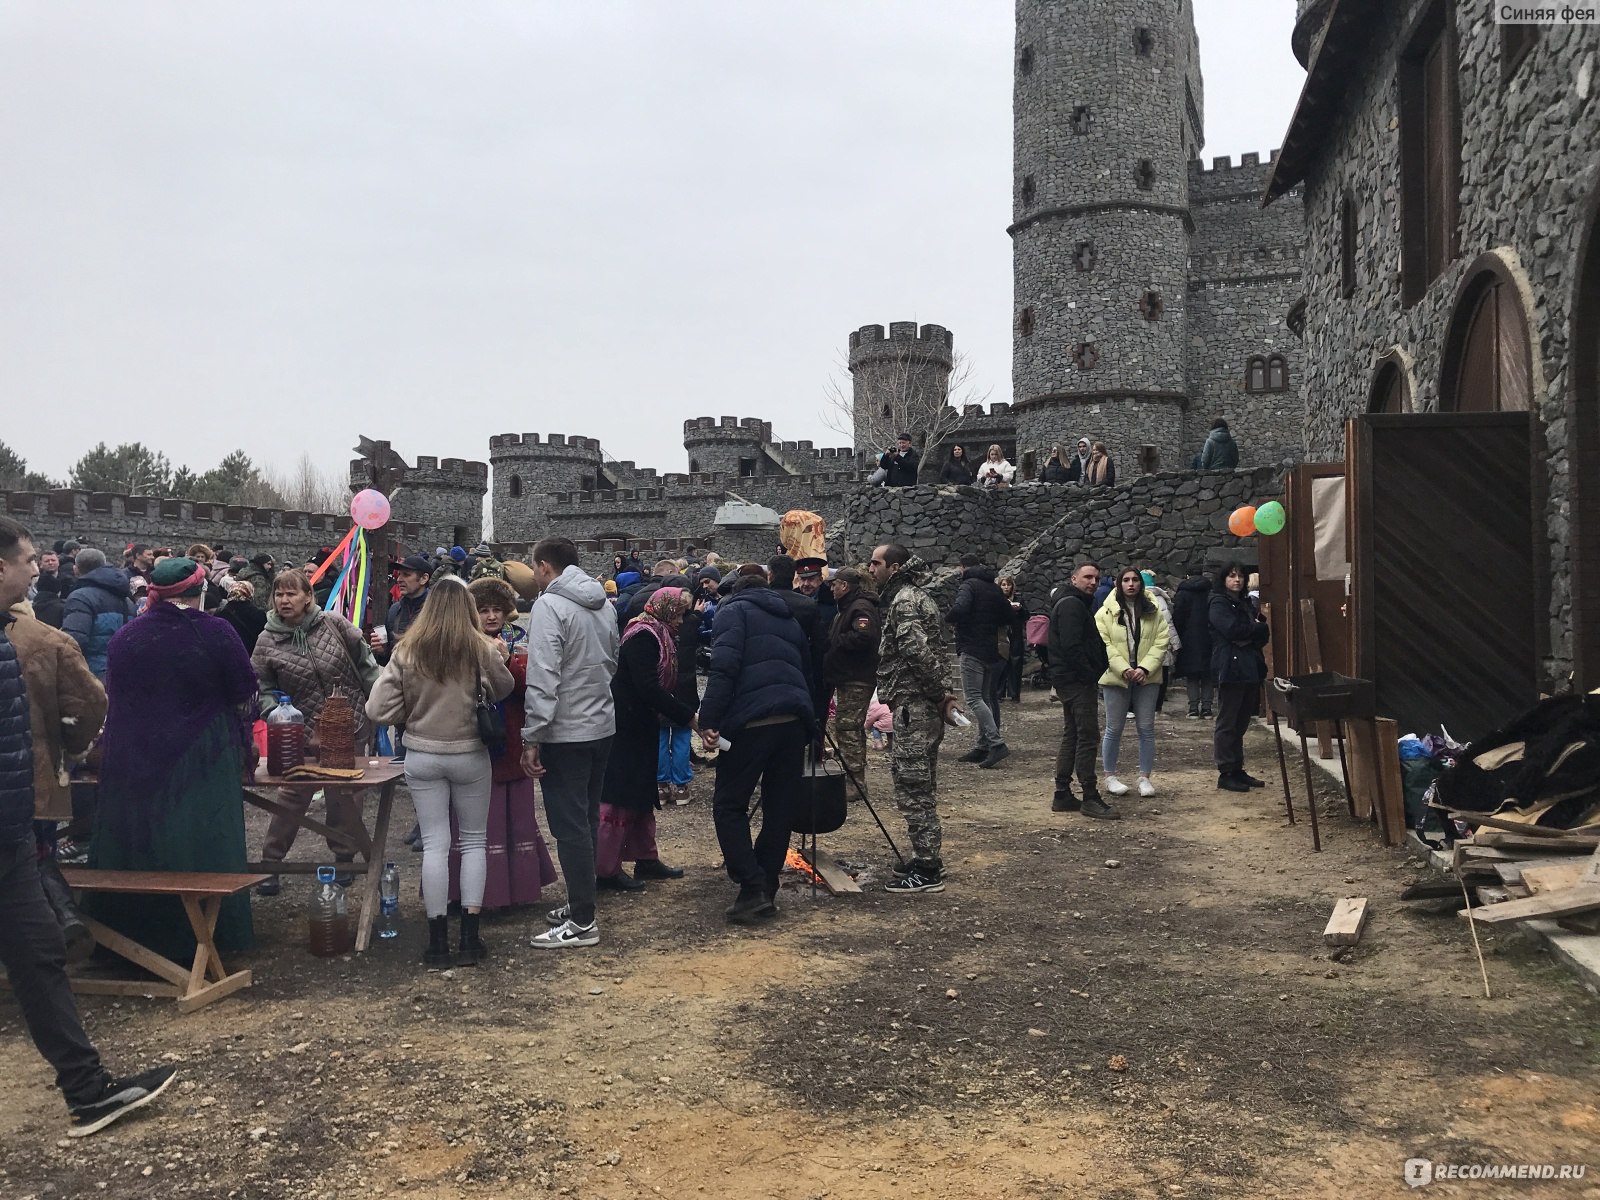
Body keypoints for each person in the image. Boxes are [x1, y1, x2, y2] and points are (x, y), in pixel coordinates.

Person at [0, 517, 178, 1137]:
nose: (36, 567)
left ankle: (87, 1090)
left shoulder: (12, 639)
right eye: (27, 559)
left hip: (15, 831)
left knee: (41, 953)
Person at [90, 557, 259, 962]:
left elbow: (115, 699)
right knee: (199, 841)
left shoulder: (126, 638)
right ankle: (208, 938)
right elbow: (244, 697)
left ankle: (131, 942)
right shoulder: (216, 632)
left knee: (143, 843)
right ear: (199, 591)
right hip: (201, 757)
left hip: (133, 756)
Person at [367, 577, 514, 966]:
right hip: (469, 753)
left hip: (422, 752)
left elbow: (377, 710)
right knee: (473, 842)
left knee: (434, 844)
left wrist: (412, 714)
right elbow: (505, 687)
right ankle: (469, 938)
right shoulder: (480, 647)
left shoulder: (408, 650)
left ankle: (436, 942)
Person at [249, 568, 382, 896]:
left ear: (308, 597)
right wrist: (275, 714)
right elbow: (260, 685)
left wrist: (380, 704)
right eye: (279, 594)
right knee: (292, 795)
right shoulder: (267, 639)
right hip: (298, 731)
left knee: (345, 797)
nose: (284, 600)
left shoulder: (334, 624)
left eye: (291, 593)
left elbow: (367, 666)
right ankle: (272, 863)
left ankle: (344, 858)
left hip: (350, 723)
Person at [698, 568, 814, 923]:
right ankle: (767, 883)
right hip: (793, 720)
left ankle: (751, 886)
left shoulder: (733, 611)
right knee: (780, 807)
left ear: (735, 591)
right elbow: (808, 672)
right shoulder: (790, 619)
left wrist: (709, 720)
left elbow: (724, 668)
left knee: (729, 804)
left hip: (752, 720)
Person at [520, 537, 620, 950]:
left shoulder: (549, 605)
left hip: (565, 730)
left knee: (569, 825)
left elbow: (543, 673)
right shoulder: (605, 604)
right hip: (600, 724)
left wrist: (533, 735)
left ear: (545, 567)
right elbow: (612, 657)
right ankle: (582, 900)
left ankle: (582, 921)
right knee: (587, 820)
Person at [9, 579, 107, 964]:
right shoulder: (48, 640)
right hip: (36, 774)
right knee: (34, 851)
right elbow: (89, 703)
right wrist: (73, 749)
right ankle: (57, 924)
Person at [458, 577, 558, 910]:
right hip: (476, 739)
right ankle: (480, 894)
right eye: (483, 610)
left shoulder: (518, 639)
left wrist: (509, 663)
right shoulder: (461, 642)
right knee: (482, 818)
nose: (490, 617)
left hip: (513, 733)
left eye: (497, 610)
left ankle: (519, 889)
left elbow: (532, 683)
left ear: (507, 612)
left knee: (516, 814)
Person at [867, 544, 960, 893]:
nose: (870, 568)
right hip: (917, 705)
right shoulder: (912, 596)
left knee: (913, 787)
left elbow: (917, 650)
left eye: (876, 563)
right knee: (920, 784)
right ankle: (925, 856)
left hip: (915, 707)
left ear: (894, 567)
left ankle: (928, 869)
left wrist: (939, 695)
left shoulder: (905, 601)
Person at [599, 587, 695, 889]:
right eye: (679, 613)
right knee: (620, 795)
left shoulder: (658, 633)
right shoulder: (644, 636)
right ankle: (605, 868)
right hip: (627, 724)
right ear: (665, 609)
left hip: (641, 722)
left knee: (641, 792)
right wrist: (688, 717)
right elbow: (648, 687)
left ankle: (645, 858)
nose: (681, 621)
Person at [1095, 568, 1171, 800]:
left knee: (1146, 728)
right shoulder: (1104, 612)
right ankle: (1110, 776)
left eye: (1135, 580)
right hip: (1116, 676)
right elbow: (1104, 644)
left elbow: (1161, 641)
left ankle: (1144, 777)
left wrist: (1144, 668)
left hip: (1147, 676)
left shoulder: (1154, 610)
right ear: (1118, 584)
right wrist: (1124, 668)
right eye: (1126, 580)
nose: (1131, 584)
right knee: (1113, 728)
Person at [1048, 562, 1116, 818]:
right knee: (1087, 735)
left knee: (1073, 734)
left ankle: (1062, 792)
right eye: (1088, 577)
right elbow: (1072, 647)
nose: (1093, 582)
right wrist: (1090, 674)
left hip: (1071, 679)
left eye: (1097, 579)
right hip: (1077, 681)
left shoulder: (1072, 603)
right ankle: (1089, 795)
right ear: (1074, 578)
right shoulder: (1072, 605)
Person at [945, 553, 1011, 769]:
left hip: (972, 647)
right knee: (985, 697)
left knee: (974, 698)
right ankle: (982, 746)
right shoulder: (993, 587)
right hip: (992, 650)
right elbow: (1008, 615)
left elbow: (960, 608)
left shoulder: (968, 586)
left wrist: (949, 618)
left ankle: (996, 743)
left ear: (962, 568)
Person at [1209, 563, 1270, 793]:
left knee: (1242, 720)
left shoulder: (1244, 603)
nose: (1237, 580)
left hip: (1249, 667)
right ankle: (1226, 771)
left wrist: (1254, 630)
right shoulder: (1218, 603)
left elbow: (1262, 632)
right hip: (1230, 667)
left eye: (1241, 576)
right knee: (1228, 721)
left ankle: (1237, 767)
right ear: (1223, 579)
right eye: (1232, 576)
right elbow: (1233, 630)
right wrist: (1253, 629)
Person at [823, 567, 880, 798]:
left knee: (849, 728)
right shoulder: (848, 608)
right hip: (848, 676)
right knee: (847, 728)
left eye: (834, 584)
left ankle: (855, 783)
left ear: (844, 585)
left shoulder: (860, 608)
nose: (831, 589)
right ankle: (853, 779)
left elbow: (863, 636)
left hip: (856, 678)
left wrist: (835, 642)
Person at [767, 555, 828, 724]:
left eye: (811, 579)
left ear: (820, 579)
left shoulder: (832, 602)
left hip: (812, 671)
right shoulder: (790, 599)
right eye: (802, 579)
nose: (806, 584)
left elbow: (821, 644)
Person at [61, 548, 135, 681]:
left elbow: (74, 641)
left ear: (76, 569)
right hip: (123, 672)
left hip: (91, 674)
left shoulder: (80, 598)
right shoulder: (127, 600)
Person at [997, 576, 1029, 703]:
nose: (1006, 587)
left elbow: (1026, 616)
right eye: (1003, 584)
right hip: (1001, 634)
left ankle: (1015, 694)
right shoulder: (997, 599)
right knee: (1001, 663)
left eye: (1008, 584)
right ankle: (999, 693)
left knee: (1016, 664)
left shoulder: (1019, 598)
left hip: (1015, 634)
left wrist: (1020, 609)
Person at [216, 579, 268, 654]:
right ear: (250, 593)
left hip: (229, 654)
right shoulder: (258, 614)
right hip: (252, 653)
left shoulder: (220, 614)